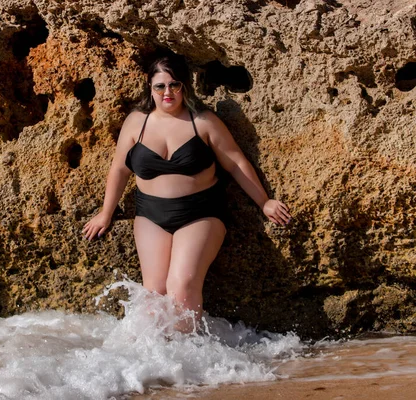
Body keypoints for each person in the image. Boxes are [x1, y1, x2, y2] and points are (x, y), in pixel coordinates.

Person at [82, 56, 291, 332]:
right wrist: (106, 213)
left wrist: (264, 202)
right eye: (159, 86)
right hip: (151, 215)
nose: (167, 93)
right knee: (152, 297)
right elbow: (119, 170)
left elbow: (236, 162)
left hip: (200, 214)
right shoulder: (136, 122)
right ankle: (155, 366)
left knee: (180, 287)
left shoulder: (203, 122)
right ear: (150, 87)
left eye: (174, 85)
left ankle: (190, 360)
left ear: (185, 86)